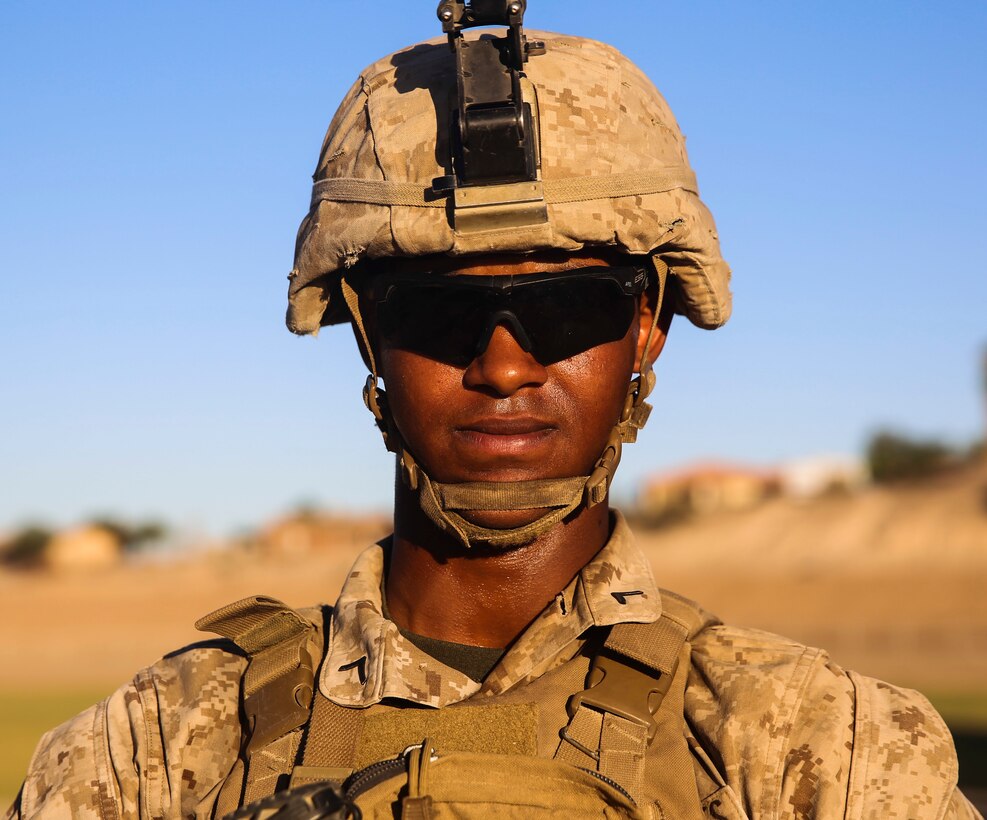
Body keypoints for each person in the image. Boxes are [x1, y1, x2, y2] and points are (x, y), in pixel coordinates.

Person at [7, 3, 981, 818]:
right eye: (441, 310)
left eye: (567, 308)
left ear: (648, 330)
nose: (505, 364)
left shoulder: (818, 753)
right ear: (366, 334)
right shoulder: (157, 754)